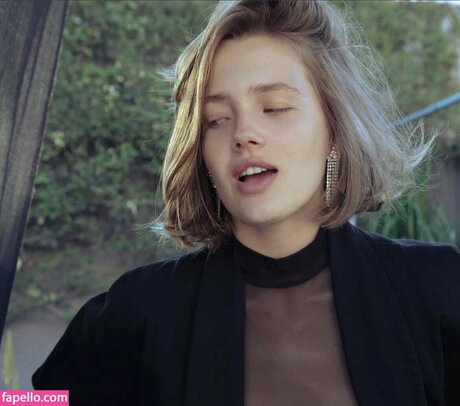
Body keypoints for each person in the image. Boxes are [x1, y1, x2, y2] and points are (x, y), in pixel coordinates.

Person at [33, 1, 460, 405]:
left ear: (335, 127)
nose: (242, 134)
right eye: (216, 120)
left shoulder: (439, 290)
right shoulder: (139, 311)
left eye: (274, 108)